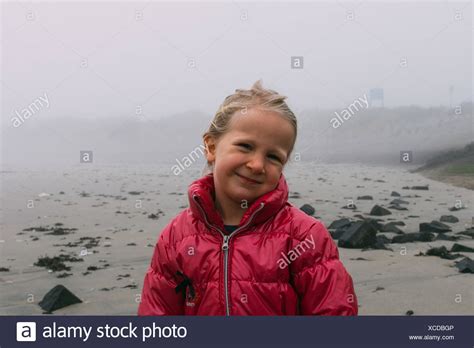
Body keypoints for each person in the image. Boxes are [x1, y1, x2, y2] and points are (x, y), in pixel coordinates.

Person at [138, 80, 358, 315]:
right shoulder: (175, 238)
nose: (256, 165)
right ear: (211, 147)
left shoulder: (304, 237)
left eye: (273, 157)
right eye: (245, 146)